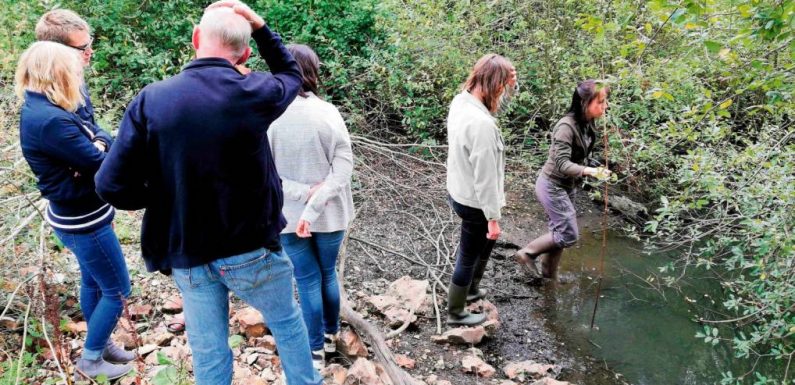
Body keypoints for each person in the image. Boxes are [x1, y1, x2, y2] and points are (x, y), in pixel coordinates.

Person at [94, 1, 322, 384]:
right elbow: (291, 73)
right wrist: (261, 27)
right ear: (245, 54)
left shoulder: (152, 99)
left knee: (209, 348)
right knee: (287, 324)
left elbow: (109, 184)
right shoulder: (255, 91)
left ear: (196, 38)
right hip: (250, 247)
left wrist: (161, 194)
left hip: (188, 251)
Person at [16, 41, 133, 380]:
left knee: (94, 281)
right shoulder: (50, 120)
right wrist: (96, 149)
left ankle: (102, 342)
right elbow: (100, 159)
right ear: (57, 72)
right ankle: (91, 359)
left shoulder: (45, 105)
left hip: (78, 211)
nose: (78, 73)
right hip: (83, 219)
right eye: (73, 68)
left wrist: (96, 145)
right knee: (119, 290)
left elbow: (100, 137)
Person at [267, 44, 354, 370]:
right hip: (330, 214)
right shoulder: (329, 113)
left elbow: (268, 175)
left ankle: (315, 351)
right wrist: (316, 199)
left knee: (307, 280)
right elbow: (344, 169)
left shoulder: (270, 117)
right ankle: (330, 336)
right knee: (327, 275)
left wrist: (302, 195)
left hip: (289, 215)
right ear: (313, 71)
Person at [445, 54, 516, 326]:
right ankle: (456, 312)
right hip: (475, 201)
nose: (504, 91)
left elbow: (493, 110)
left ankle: (472, 290)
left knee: (485, 243)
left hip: (459, 190)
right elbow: (485, 178)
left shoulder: (462, 101)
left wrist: (511, 86)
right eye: (503, 86)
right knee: (469, 252)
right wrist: (493, 217)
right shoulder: (482, 126)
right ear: (493, 84)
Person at [515, 80, 611, 280]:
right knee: (568, 235)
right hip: (552, 185)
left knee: (558, 233)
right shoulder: (565, 127)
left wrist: (594, 166)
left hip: (568, 186)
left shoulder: (587, 124)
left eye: (605, 101)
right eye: (600, 102)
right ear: (584, 103)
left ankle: (549, 276)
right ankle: (526, 254)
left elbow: (580, 154)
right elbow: (561, 164)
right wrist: (590, 171)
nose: (605, 106)